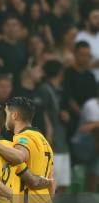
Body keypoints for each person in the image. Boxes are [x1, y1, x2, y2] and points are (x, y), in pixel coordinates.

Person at [37, 60, 70, 192]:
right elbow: (41, 112)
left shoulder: (60, 90)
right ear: (60, 73)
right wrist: (48, 132)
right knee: (50, 182)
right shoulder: (43, 89)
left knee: (63, 183)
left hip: (62, 141)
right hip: (50, 142)